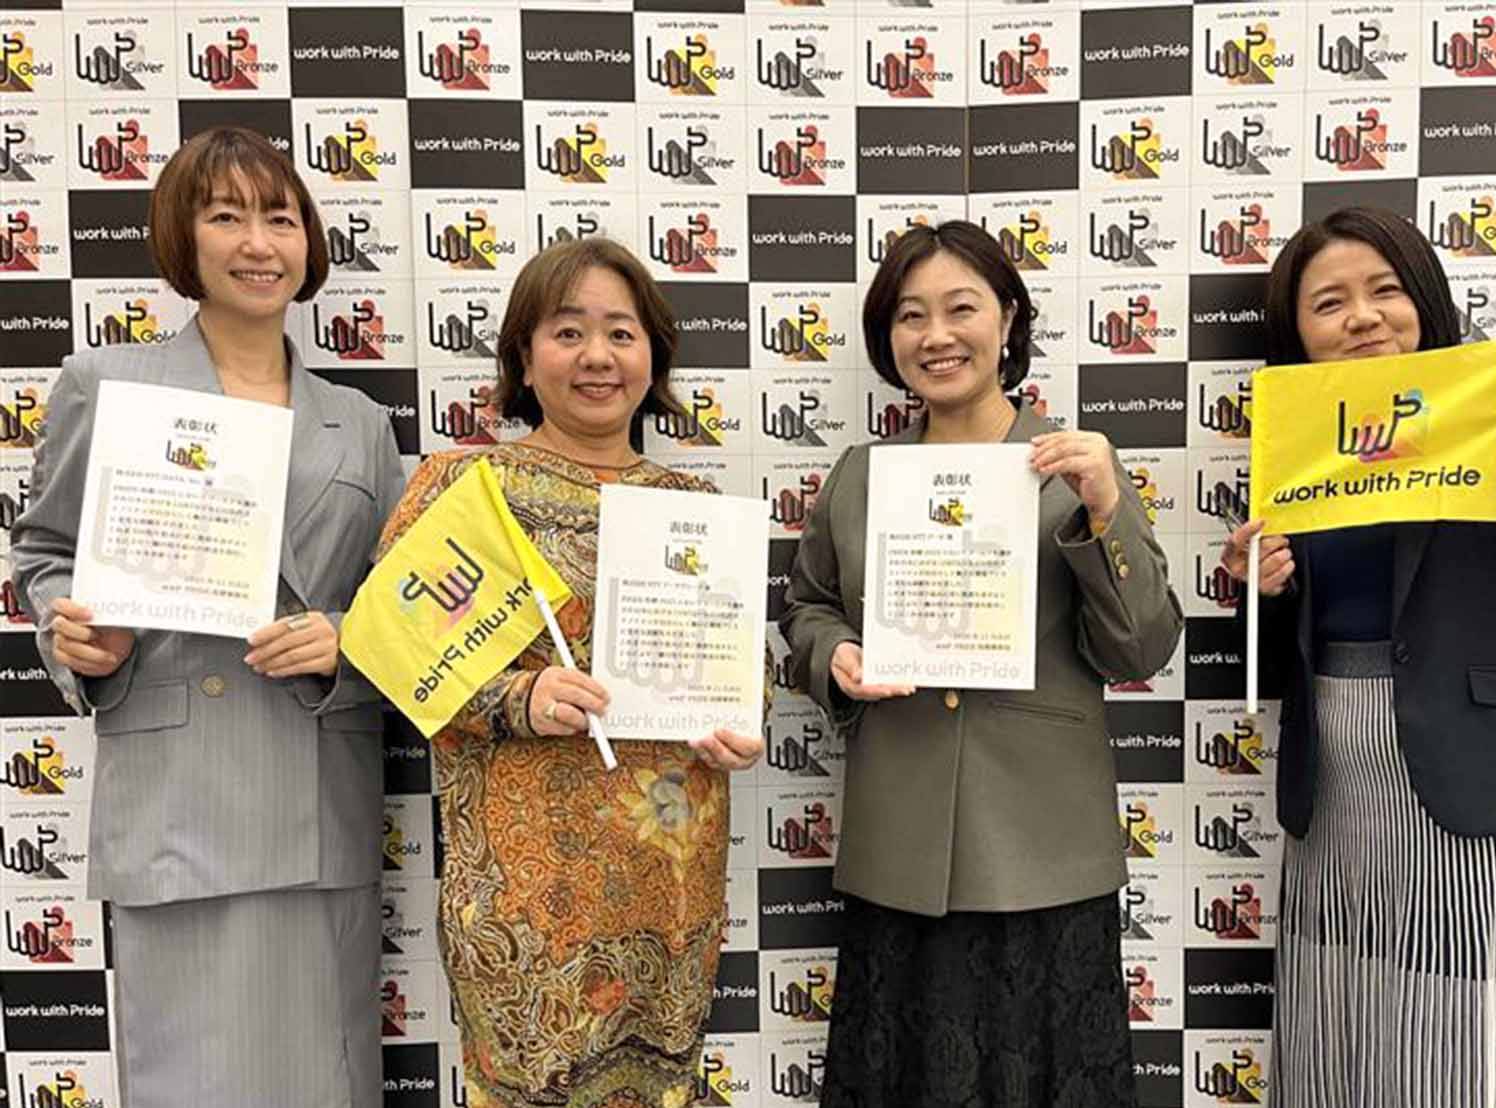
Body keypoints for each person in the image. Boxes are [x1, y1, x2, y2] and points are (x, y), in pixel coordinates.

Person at [10, 126, 404, 1106]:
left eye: (280, 217)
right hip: (176, 804)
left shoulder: (359, 422)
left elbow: (400, 604)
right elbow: (45, 552)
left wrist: (347, 642)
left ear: (310, 242)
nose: (258, 243)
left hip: (315, 798)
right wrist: (77, 636)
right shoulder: (107, 383)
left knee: (326, 1079)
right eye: (226, 216)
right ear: (183, 240)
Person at [1220, 206, 1496, 1108]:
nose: (1362, 317)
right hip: (1339, 778)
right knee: (1342, 1023)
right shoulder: (1297, 448)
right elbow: (1282, 656)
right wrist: (1265, 588)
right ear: (1298, 333)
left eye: (1385, 290)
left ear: (1424, 298)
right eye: (1328, 303)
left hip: (1483, 779)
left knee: (1470, 1039)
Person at [781, 220, 1183, 1107]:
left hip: (1046, 850)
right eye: (910, 315)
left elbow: (1142, 646)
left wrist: (1107, 508)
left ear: (1007, 319)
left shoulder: (1076, 469)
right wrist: (833, 653)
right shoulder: (860, 474)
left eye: (961, 308)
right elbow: (806, 606)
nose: (937, 335)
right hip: (898, 847)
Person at [375, 237, 764, 1107]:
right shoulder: (467, 488)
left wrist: (743, 723)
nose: (598, 356)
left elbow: (746, 669)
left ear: (653, 356)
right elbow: (395, 652)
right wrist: (519, 696)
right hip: (526, 907)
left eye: (621, 333)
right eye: (568, 332)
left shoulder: (696, 510)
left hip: (671, 890)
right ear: (523, 355)